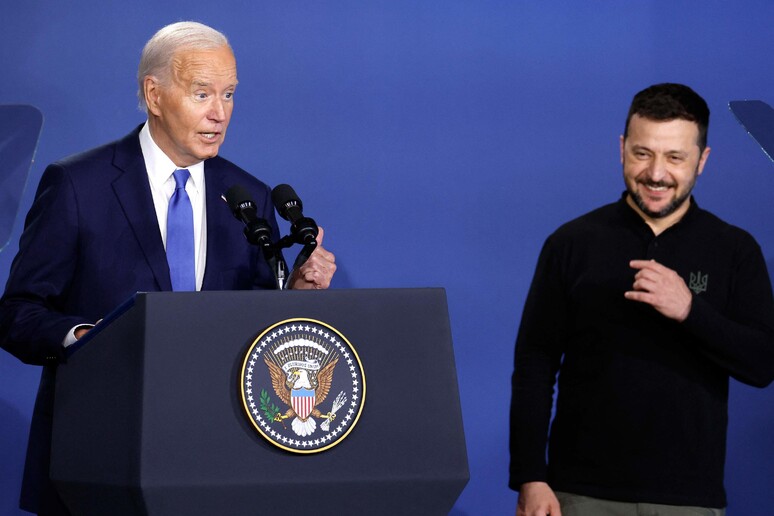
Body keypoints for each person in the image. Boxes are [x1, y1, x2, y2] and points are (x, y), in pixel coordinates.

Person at [0, 21, 336, 515]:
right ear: (154, 95)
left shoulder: (248, 197)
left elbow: (262, 333)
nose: (219, 113)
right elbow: (17, 312)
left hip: (217, 459)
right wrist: (85, 338)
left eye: (229, 94)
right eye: (202, 93)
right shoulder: (77, 185)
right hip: (99, 457)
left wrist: (298, 298)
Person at [509, 83, 774, 516]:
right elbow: (535, 364)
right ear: (622, 148)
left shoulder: (734, 249)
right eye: (642, 153)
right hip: (577, 494)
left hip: (688, 499)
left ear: (702, 160)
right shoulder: (571, 243)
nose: (656, 173)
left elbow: (764, 364)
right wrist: (530, 476)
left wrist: (690, 310)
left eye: (675, 157)